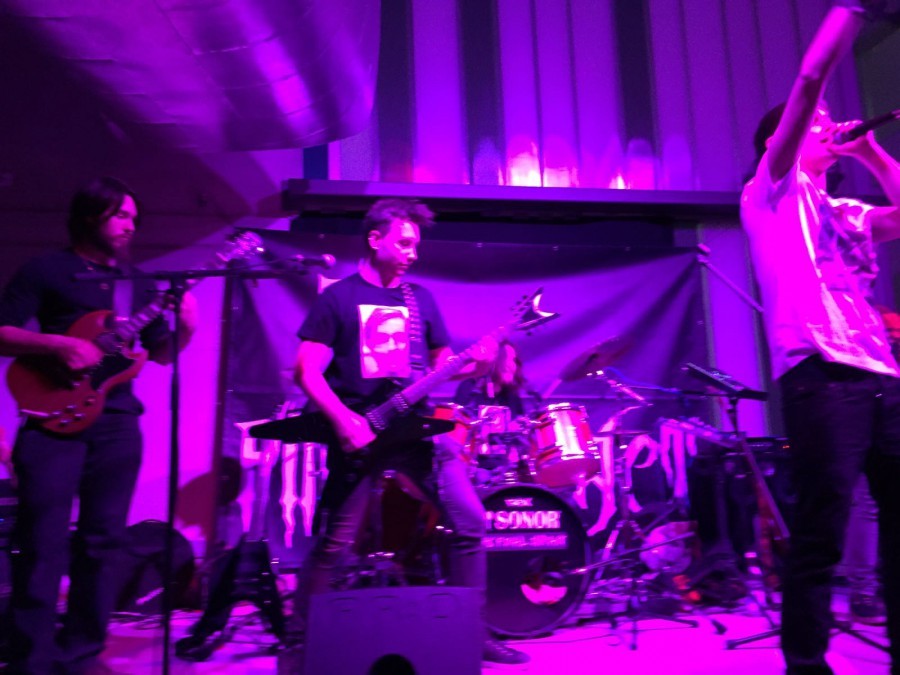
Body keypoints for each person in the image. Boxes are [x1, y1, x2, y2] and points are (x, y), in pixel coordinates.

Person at [290, 197, 528, 665]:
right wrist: (344, 420)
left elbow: (442, 368)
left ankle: (473, 633)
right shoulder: (338, 298)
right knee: (335, 545)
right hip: (361, 434)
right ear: (374, 239)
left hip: (417, 429)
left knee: (471, 522)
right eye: (403, 243)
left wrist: (475, 365)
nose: (412, 254)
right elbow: (306, 370)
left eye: (416, 245)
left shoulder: (421, 301)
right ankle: (301, 637)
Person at [741, 3, 900, 672]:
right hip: (820, 373)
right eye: (819, 123)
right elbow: (809, 81)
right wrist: (850, 12)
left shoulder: (844, 210)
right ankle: (806, 661)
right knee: (822, 528)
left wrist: (868, 150)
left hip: (881, 375)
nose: (829, 125)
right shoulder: (769, 192)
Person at [0, 176, 198, 674]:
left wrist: (188, 327)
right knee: (41, 541)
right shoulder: (47, 269)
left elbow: (161, 354)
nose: (131, 225)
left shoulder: (139, 284)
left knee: (103, 541)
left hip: (116, 425)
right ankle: (30, 659)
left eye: (135, 217)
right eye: (120, 215)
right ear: (91, 215)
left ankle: (81, 653)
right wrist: (59, 345)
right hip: (50, 421)